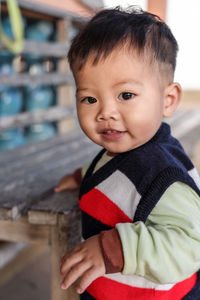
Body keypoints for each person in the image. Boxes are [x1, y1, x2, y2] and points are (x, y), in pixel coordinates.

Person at [55, 6, 200, 300]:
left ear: (168, 99)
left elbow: (189, 246)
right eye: (90, 98)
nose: (106, 112)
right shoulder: (125, 149)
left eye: (126, 95)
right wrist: (81, 176)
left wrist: (115, 249)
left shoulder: (163, 176)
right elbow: (116, 173)